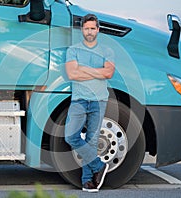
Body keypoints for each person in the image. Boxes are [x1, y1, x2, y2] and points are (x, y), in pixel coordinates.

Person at [64, 14, 115, 193]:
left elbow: (108, 74)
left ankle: (88, 182)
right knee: (71, 136)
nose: (90, 31)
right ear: (82, 30)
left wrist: (84, 69)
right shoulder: (73, 50)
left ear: (98, 30)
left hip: (99, 100)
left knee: (92, 142)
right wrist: (97, 72)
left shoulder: (107, 51)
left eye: (93, 28)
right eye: (87, 28)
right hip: (79, 99)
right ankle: (98, 166)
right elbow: (72, 74)